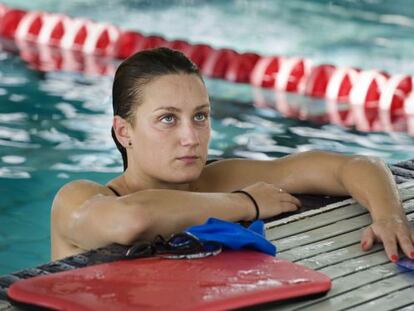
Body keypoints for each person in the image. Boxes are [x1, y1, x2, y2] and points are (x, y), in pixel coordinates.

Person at [51, 47, 414, 263]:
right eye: (167, 119)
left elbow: (354, 165)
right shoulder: (79, 199)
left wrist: (389, 217)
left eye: (200, 116)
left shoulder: (216, 178)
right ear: (123, 131)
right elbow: (131, 221)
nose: (190, 137)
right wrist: (245, 204)